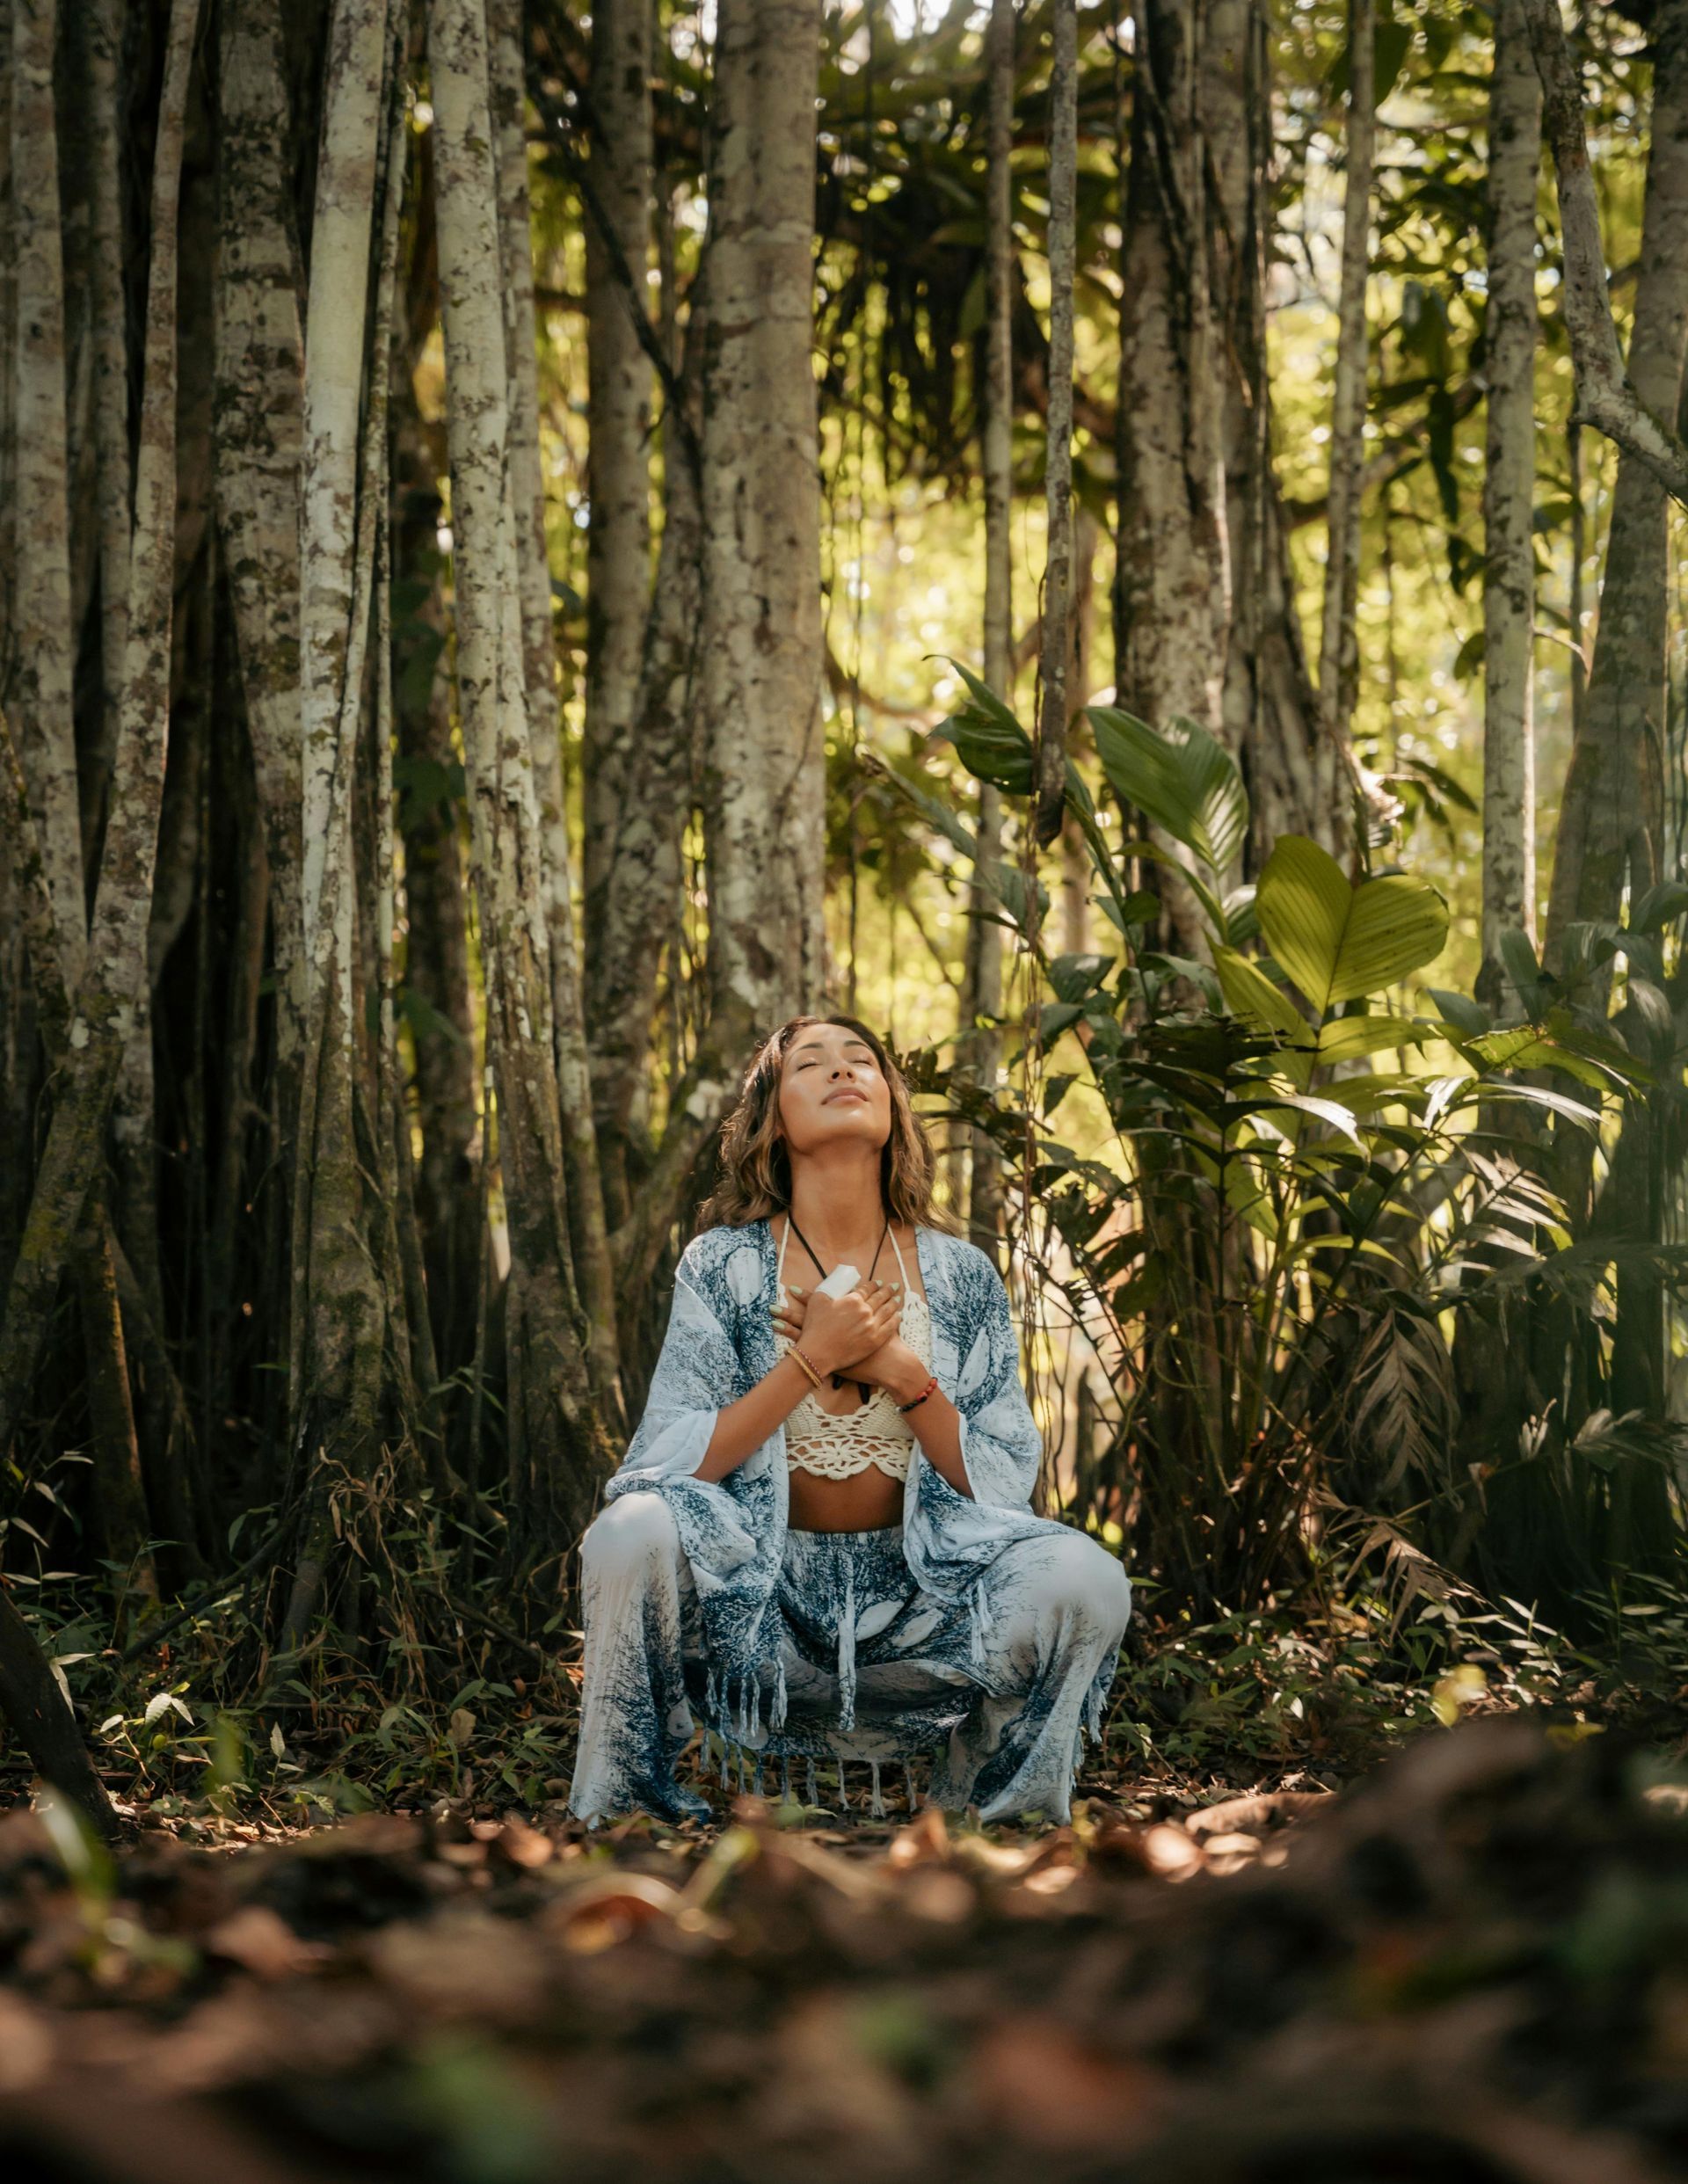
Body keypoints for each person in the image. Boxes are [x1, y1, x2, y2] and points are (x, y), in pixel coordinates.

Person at [566, 1015, 1131, 1824]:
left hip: (927, 1606)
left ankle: (1000, 1815)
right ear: (772, 1120)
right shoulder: (722, 1265)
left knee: (1087, 1580)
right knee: (629, 1531)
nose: (843, 1072)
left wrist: (899, 1371)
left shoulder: (961, 1274)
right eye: (811, 1064)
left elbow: (1001, 1485)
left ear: (895, 1108)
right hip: (757, 1603)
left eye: (862, 1060)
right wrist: (810, 1360)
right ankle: (624, 1811)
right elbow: (671, 1462)